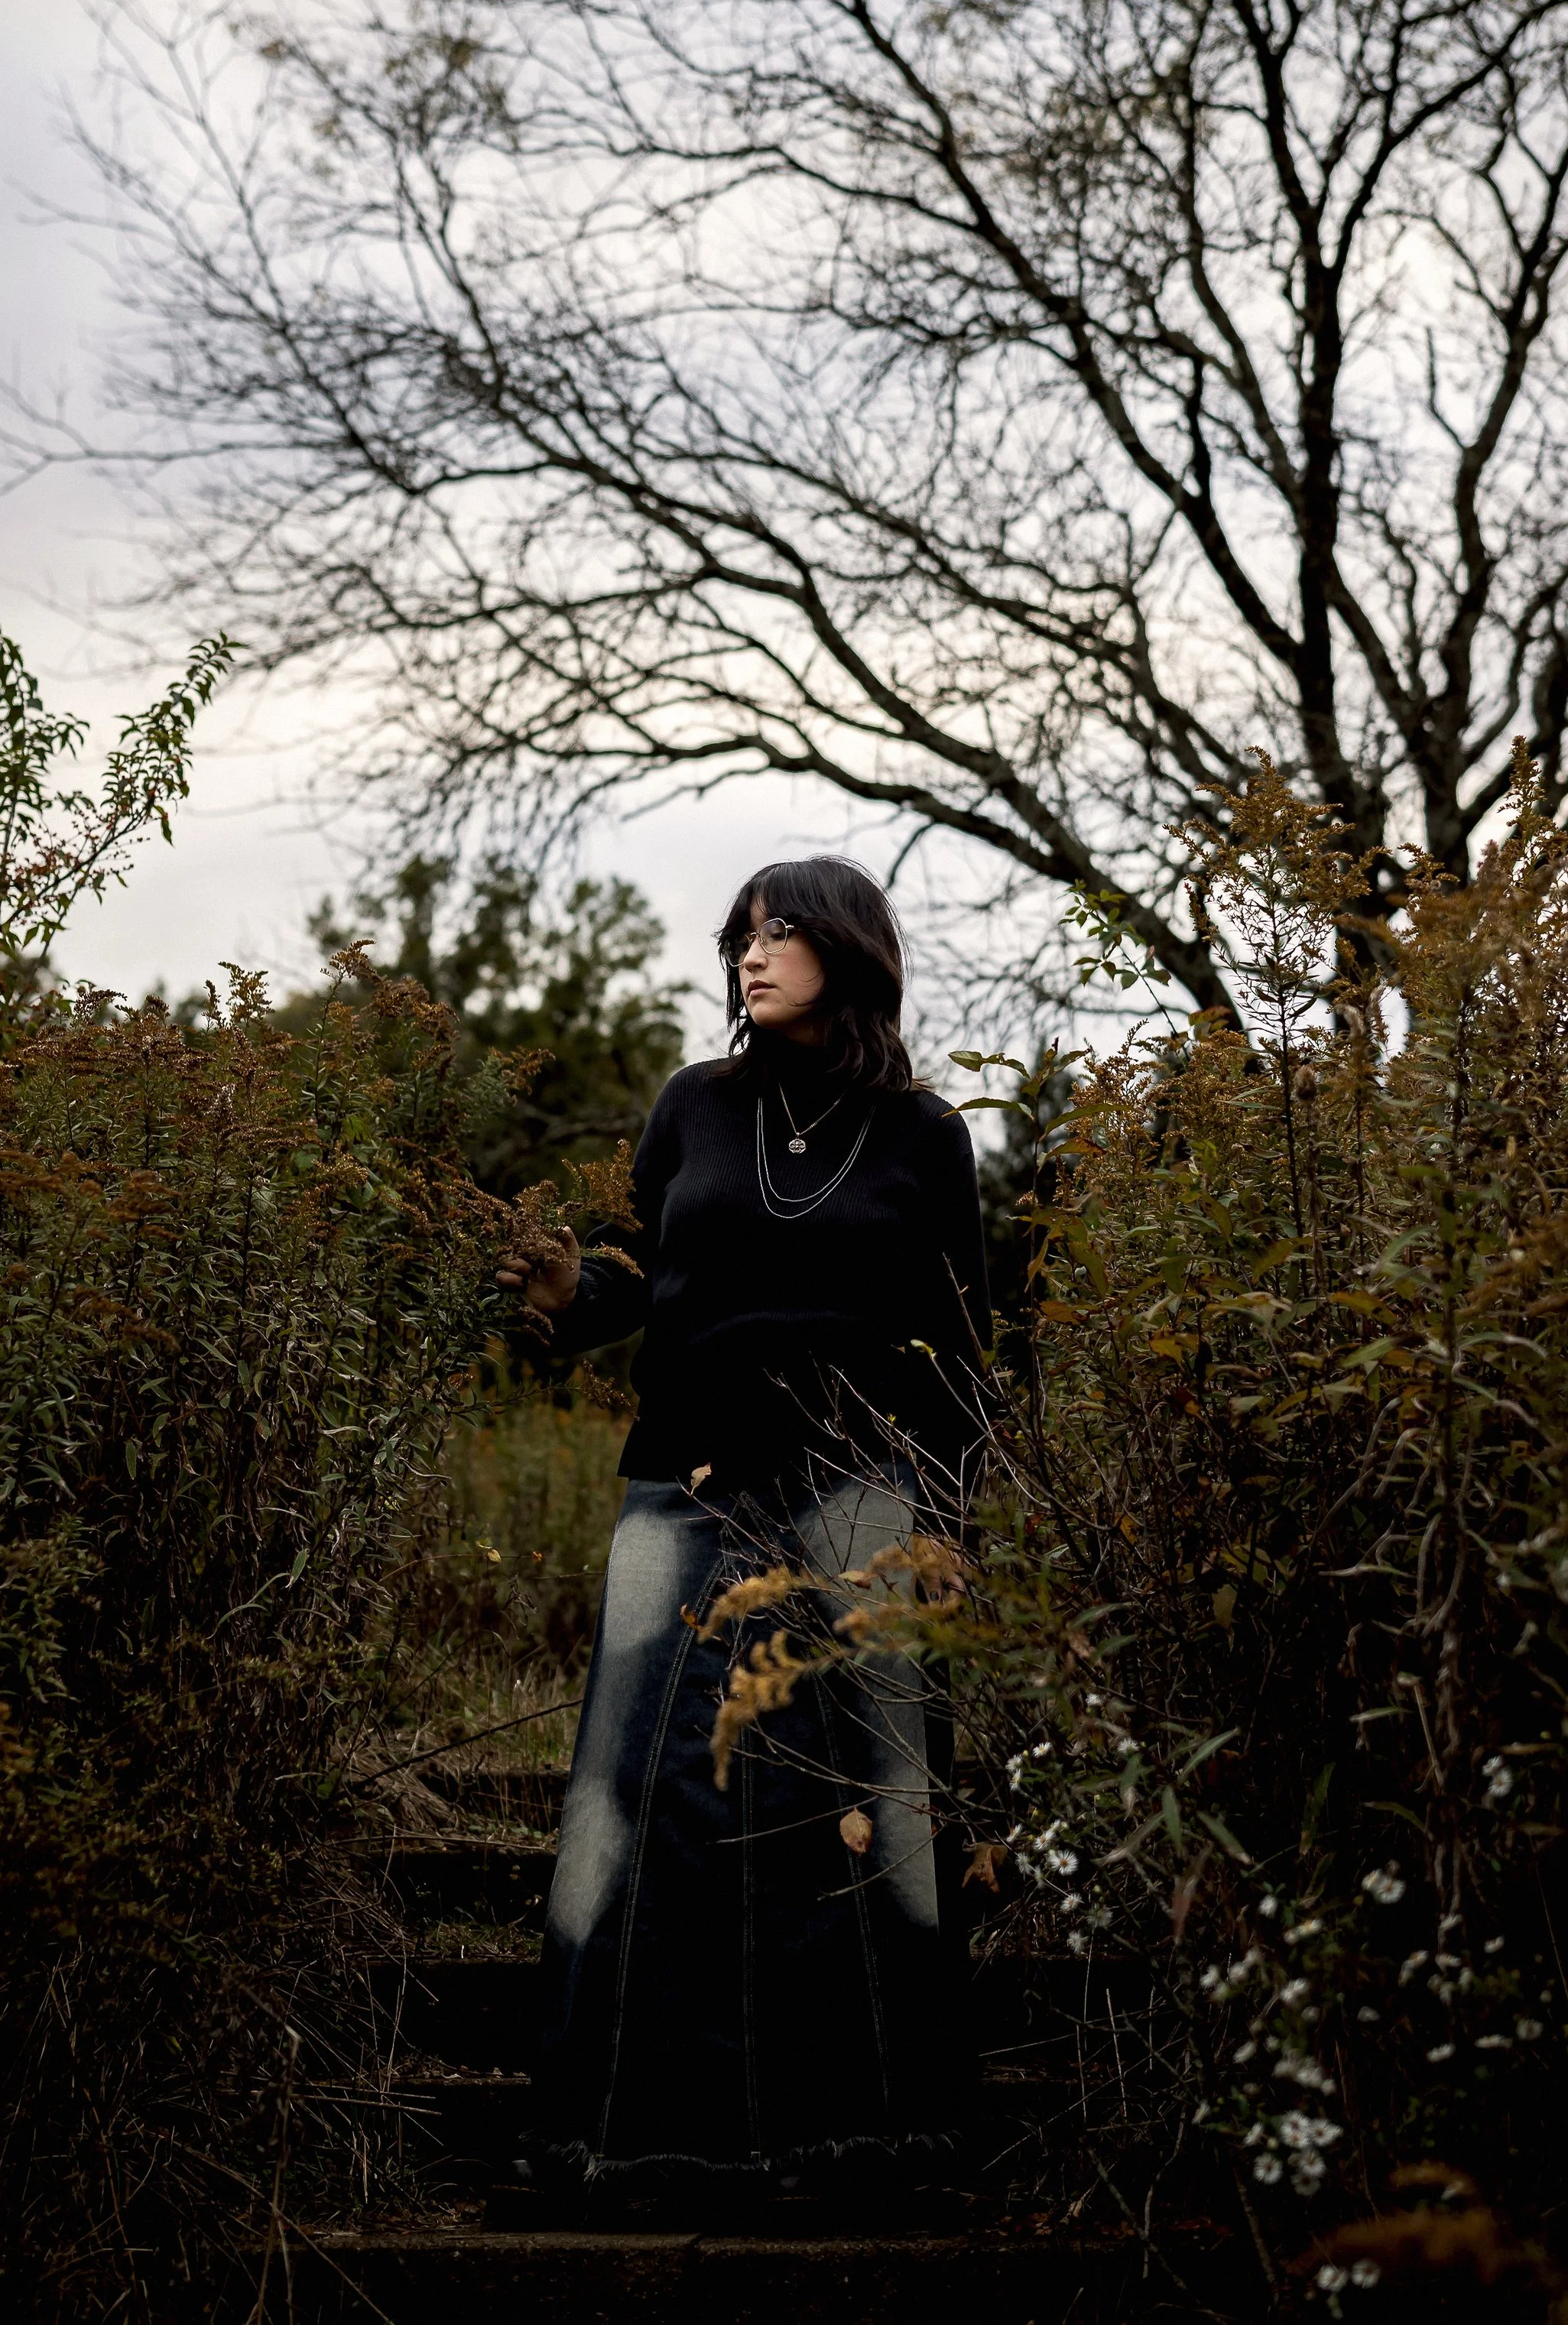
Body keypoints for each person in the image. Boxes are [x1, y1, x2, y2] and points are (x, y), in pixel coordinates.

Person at [494, 855, 992, 2199]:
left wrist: (948, 1533)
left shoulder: (927, 1139)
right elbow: (648, 1276)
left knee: (871, 1808)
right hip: (686, 1486)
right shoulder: (693, 1109)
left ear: (850, 949)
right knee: (630, 1804)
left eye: (780, 932)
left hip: (862, 1502)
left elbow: (963, 1357)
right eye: (740, 936)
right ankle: (620, 2137)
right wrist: (569, 1286)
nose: (751, 955)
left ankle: (874, 2141)